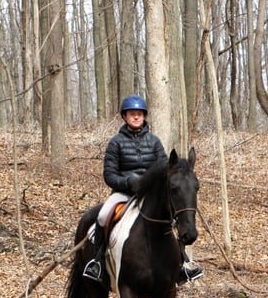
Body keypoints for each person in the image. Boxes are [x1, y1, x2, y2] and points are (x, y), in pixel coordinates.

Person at [83, 94, 203, 285]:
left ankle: (182, 265)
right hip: (124, 193)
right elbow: (109, 175)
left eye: (139, 114)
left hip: (150, 194)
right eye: (132, 114)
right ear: (125, 116)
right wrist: (129, 182)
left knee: (172, 216)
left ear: (144, 116)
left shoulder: (154, 142)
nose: (136, 117)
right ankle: (97, 262)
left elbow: (166, 170)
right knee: (103, 215)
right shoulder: (116, 143)